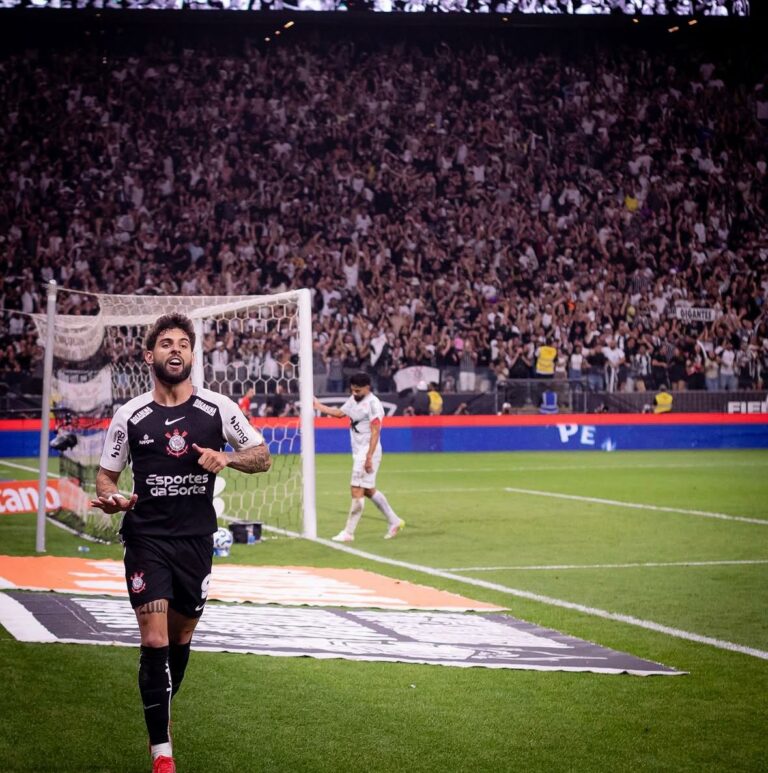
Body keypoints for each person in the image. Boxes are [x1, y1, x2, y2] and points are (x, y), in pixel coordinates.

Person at [90, 313, 271, 773]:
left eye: (184, 344)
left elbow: (263, 455)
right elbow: (106, 476)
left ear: (192, 354)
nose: (176, 350)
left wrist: (226, 457)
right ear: (149, 356)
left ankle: (161, 711)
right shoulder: (130, 415)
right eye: (166, 343)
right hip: (146, 537)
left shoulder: (218, 409)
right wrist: (111, 499)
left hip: (195, 540)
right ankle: (162, 753)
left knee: (180, 637)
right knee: (153, 638)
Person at [313, 371, 404, 542]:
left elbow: (376, 431)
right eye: (352, 390)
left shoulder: (373, 404)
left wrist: (369, 457)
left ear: (367, 388)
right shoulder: (354, 399)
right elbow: (340, 413)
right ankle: (394, 521)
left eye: (358, 391)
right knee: (368, 490)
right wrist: (318, 406)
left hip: (368, 451)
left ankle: (348, 532)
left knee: (356, 489)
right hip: (359, 451)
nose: (354, 394)